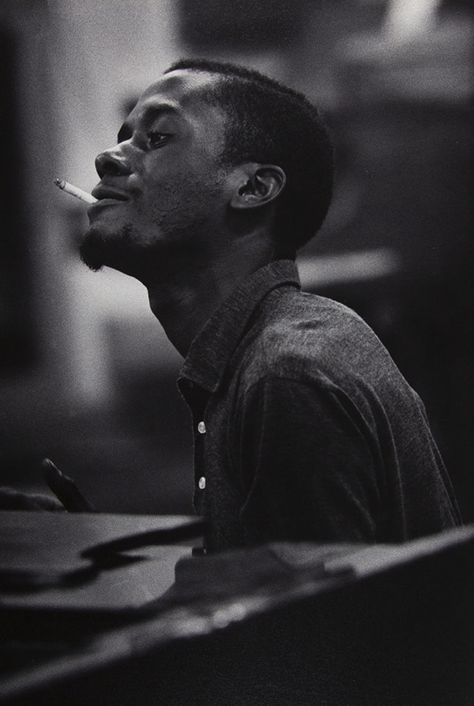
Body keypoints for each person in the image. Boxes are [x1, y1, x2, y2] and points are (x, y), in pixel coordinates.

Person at [2, 59, 462, 551]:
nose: (107, 158)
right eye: (124, 135)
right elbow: (270, 593)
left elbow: (317, 626)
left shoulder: (286, 374)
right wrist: (93, 540)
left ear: (252, 188)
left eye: (157, 138)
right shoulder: (262, 354)